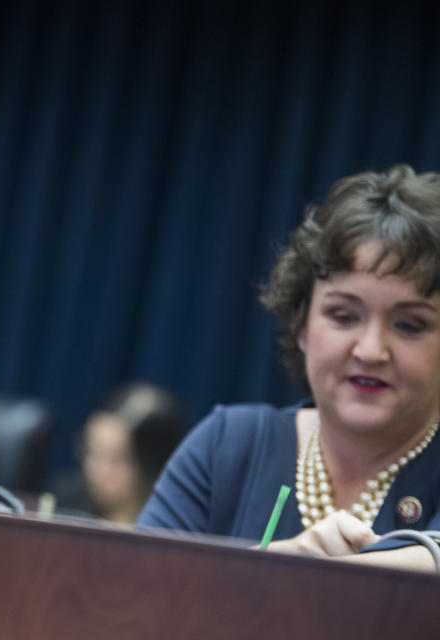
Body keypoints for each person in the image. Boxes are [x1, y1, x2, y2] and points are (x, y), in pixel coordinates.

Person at [137, 164, 440, 571]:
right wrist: (272, 568)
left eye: (409, 325)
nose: (370, 351)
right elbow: (129, 598)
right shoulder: (228, 446)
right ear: (302, 324)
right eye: (344, 316)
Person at [53, 383, 183, 523]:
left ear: (153, 465)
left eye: (115, 459)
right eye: (90, 451)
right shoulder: (65, 507)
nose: (94, 469)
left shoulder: (175, 525)